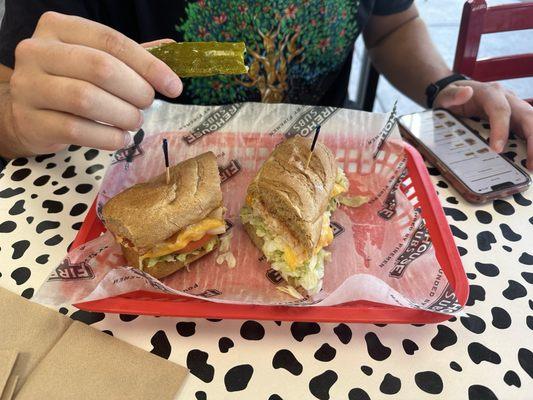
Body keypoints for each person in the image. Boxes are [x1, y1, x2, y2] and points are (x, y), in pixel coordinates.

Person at [0, 0, 531, 170]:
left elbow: (393, 23)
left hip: (325, 159)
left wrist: (448, 85)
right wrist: (17, 122)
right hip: (134, 169)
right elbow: (9, 95)